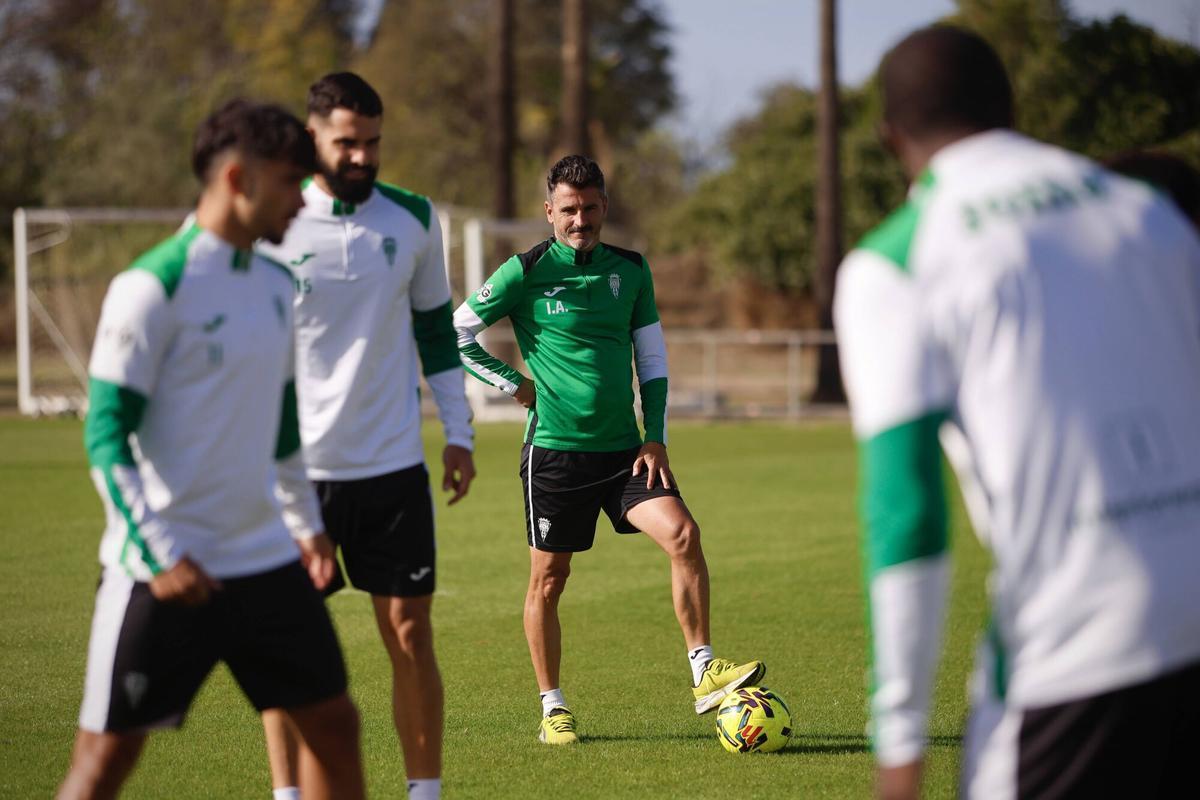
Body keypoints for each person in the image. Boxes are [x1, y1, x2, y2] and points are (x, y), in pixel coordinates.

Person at [835, 25, 1200, 800]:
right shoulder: (1150, 211)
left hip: (1078, 647)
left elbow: (905, 512)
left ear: (890, 136)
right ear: (1009, 105)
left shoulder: (895, 263)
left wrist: (900, 749)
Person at [57, 99, 365, 800]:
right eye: (291, 181)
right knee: (104, 762)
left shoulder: (277, 286)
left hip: (264, 558)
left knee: (335, 725)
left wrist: (307, 526)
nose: (301, 198)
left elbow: (283, 427)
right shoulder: (150, 287)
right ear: (237, 178)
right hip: (164, 568)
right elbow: (105, 434)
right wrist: (161, 550)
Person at [452, 155, 764, 745]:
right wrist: (511, 383)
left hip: (628, 452)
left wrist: (657, 435)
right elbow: (457, 332)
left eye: (590, 208)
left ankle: (703, 671)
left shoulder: (632, 270)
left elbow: (652, 361)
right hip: (555, 453)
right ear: (549, 212)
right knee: (550, 578)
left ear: (604, 207)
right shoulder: (524, 272)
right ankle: (553, 706)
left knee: (683, 535)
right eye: (568, 209)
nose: (579, 220)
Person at [256, 72, 474, 800]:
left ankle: (425, 793)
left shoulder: (413, 218)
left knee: (412, 635)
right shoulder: (274, 221)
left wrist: (459, 432)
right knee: (283, 647)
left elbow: (437, 333)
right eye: (346, 142)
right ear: (312, 136)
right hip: (296, 474)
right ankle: (287, 796)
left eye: (373, 142)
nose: (361, 156)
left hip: (391, 469)